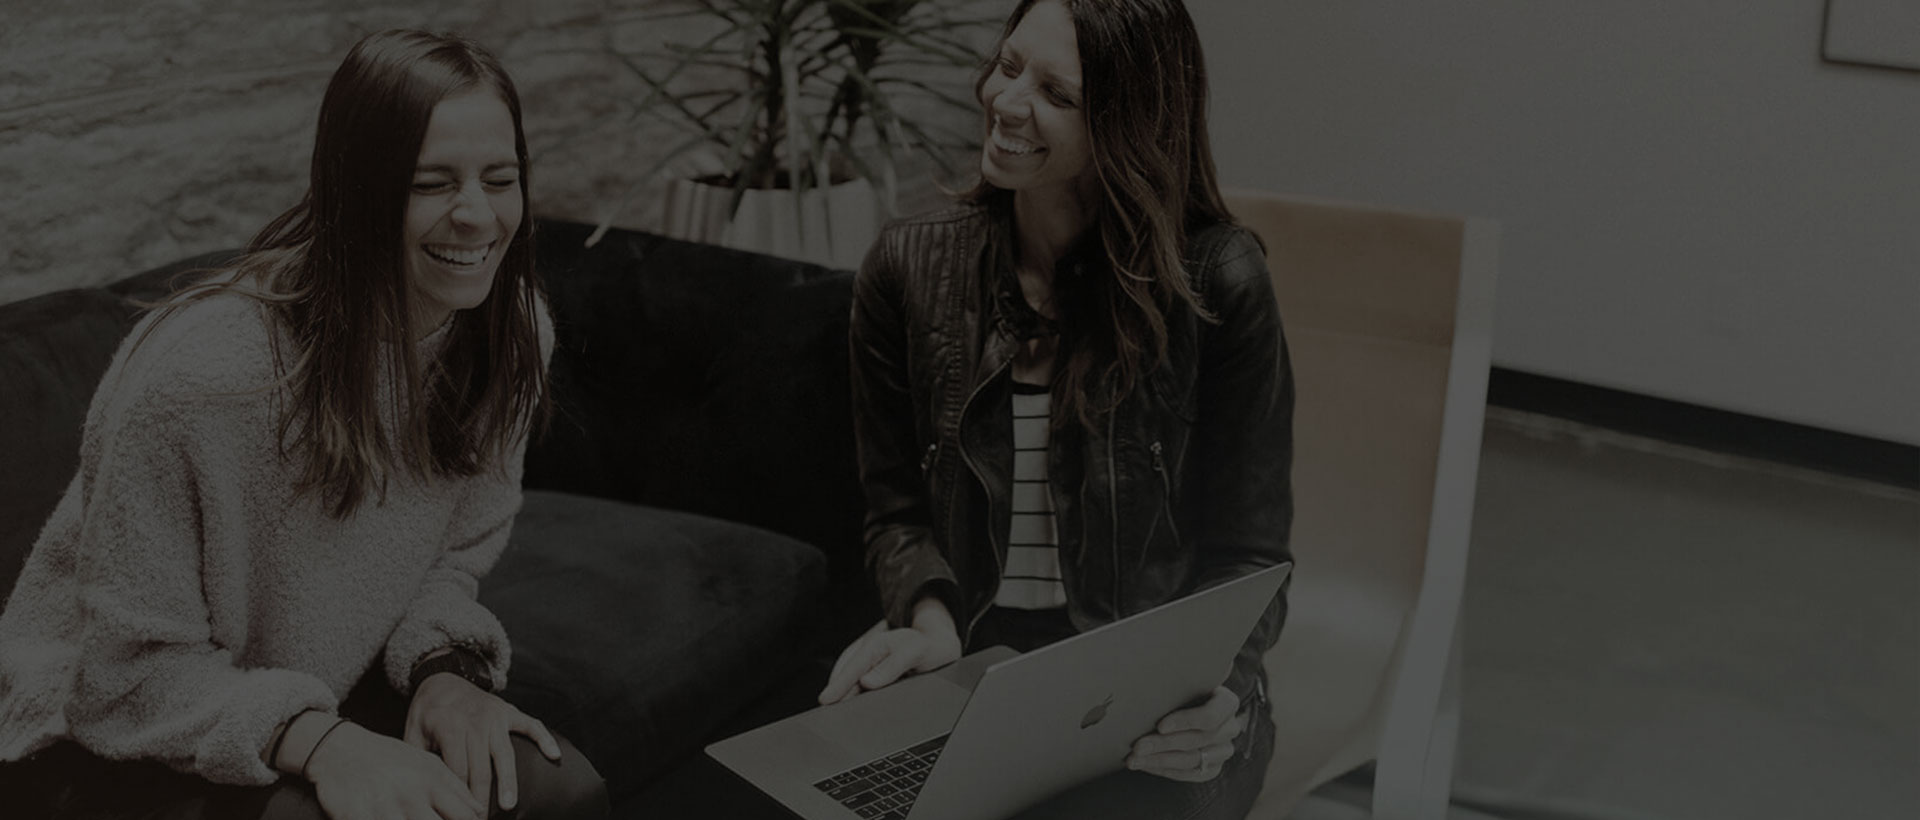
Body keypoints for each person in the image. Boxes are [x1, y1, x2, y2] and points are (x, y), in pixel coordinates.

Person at [0, 30, 607, 820]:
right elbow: (125, 679)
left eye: (500, 179)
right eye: (430, 184)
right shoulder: (200, 378)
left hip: (309, 689)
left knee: (559, 791)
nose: (476, 215)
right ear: (355, 192)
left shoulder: (509, 330)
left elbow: (453, 555)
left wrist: (446, 672)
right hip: (101, 736)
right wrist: (322, 741)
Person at [819, 0, 1294, 817]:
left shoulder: (1221, 280)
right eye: (1008, 66)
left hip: (1148, 695)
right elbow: (895, 513)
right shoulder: (905, 266)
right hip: (972, 665)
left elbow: (1251, 556)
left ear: (1130, 124)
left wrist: (1221, 691)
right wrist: (929, 621)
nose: (1005, 102)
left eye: (1056, 94)